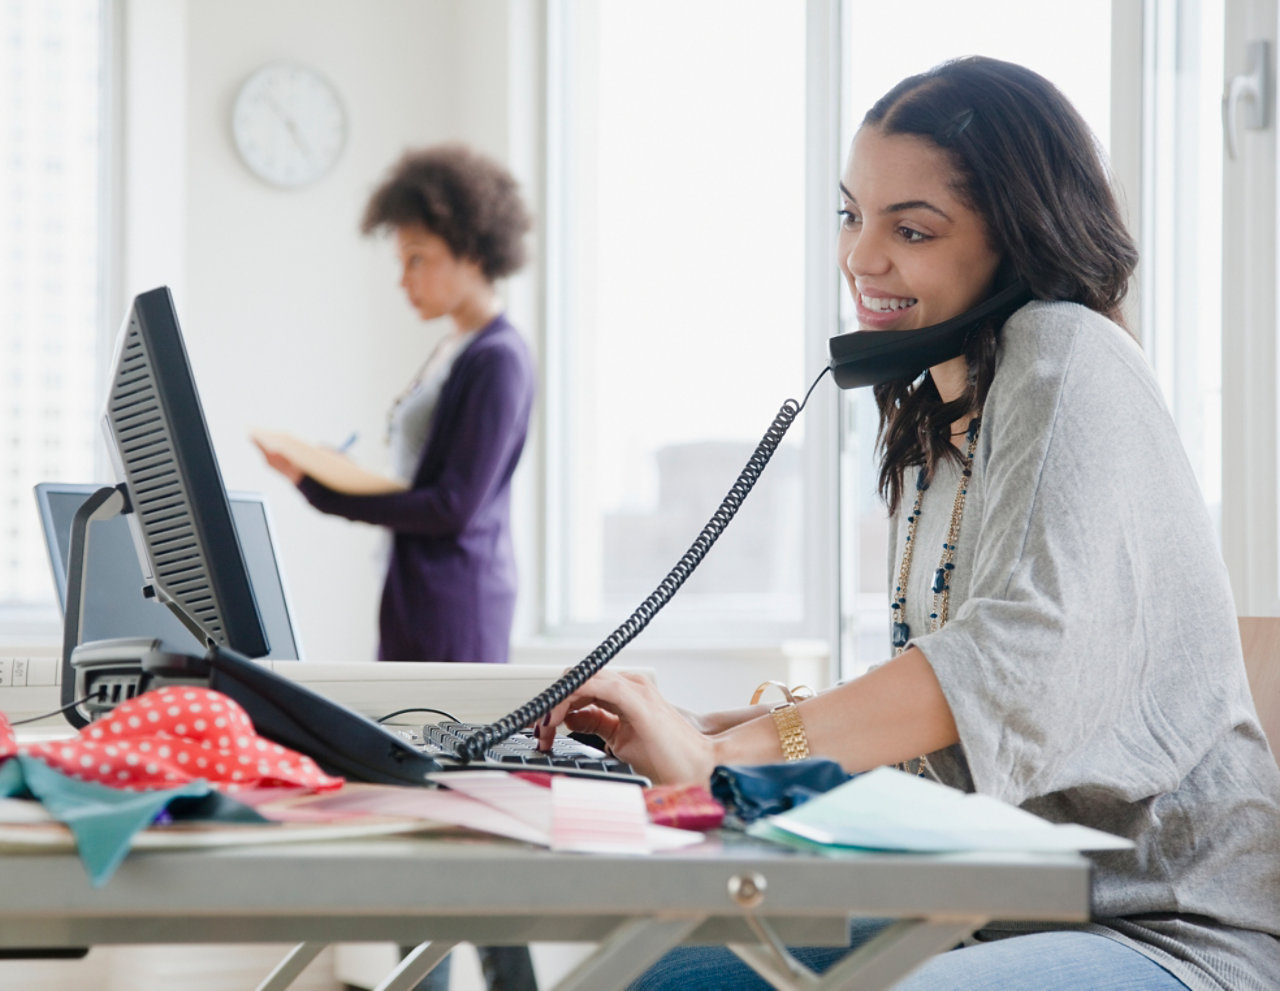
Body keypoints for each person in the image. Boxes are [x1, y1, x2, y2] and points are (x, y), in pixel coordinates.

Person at [536, 57, 1280, 991]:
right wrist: (724, 726)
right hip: (990, 906)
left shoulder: (1069, 353)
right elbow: (959, 726)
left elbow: (1020, 663)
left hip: (1161, 930)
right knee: (662, 975)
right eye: (851, 215)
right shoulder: (940, 413)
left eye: (912, 229)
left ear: (1017, 240)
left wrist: (731, 753)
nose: (860, 257)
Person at [259, 143, 538, 990]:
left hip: (454, 607)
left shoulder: (498, 357)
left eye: (418, 258)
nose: (405, 278)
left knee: (456, 812)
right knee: (433, 806)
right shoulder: (457, 350)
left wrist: (327, 492)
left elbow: (454, 505)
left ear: (470, 249)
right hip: (424, 594)